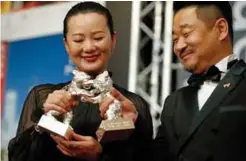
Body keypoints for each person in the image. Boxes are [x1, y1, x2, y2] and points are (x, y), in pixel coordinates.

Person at [8, 2, 153, 161]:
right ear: (67, 45)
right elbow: (17, 157)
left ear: (113, 40)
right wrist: (43, 120)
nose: (89, 47)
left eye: (98, 37)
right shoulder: (41, 96)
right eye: (78, 40)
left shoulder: (133, 104)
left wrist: (100, 156)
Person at [155, 2, 246, 161]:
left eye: (186, 33)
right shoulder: (173, 103)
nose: (179, 46)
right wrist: (133, 126)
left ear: (221, 29)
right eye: (175, 39)